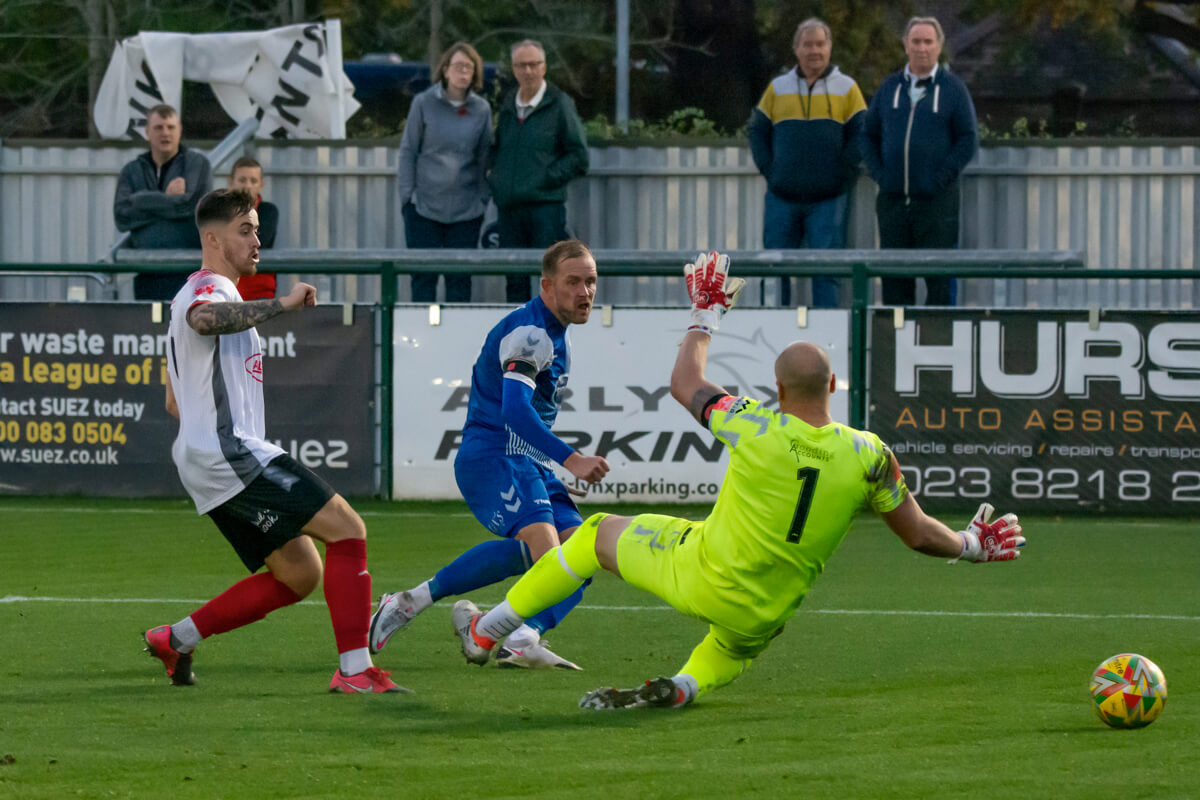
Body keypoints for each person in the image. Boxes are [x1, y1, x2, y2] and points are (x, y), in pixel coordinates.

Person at [449, 251, 1026, 709]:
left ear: (779, 391)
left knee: (593, 534)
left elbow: (685, 382)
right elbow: (921, 533)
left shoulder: (755, 424)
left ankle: (488, 630)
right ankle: (688, 685)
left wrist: (706, 315)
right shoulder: (869, 455)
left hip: (700, 573)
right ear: (832, 389)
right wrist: (973, 546)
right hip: (766, 612)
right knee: (735, 642)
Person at [143, 188, 407, 694]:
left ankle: (175, 639)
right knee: (348, 530)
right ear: (213, 238)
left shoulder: (196, 294)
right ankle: (355, 670)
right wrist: (280, 305)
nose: (257, 240)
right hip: (228, 451)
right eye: (246, 230)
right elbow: (204, 321)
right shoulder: (208, 292)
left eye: (258, 229)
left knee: (300, 574)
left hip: (206, 458)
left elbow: (174, 401)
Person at [369, 239, 610, 669]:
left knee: (583, 551)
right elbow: (514, 411)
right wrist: (571, 459)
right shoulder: (531, 334)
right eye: (573, 282)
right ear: (547, 286)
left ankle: (522, 636)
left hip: (524, 461)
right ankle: (412, 603)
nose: (585, 292)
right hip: (494, 456)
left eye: (591, 282)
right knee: (548, 554)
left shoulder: (555, 331)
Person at [861, 16, 979, 307]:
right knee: (894, 282)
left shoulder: (953, 89)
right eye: (916, 41)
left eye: (928, 41)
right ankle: (895, 346)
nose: (922, 48)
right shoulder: (889, 89)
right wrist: (881, 176)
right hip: (893, 204)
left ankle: (936, 346)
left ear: (939, 46)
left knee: (938, 281)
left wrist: (939, 179)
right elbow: (867, 136)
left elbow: (967, 139)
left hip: (937, 204)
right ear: (905, 45)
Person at [748, 18, 866, 309]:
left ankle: (825, 344)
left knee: (826, 272)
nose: (814, 50)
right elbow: (756, 131)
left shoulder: (847, 88)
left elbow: (863, 134)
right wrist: (771, 171)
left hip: (829, 199)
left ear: (830, 47)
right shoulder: (777, 88)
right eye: (807, 44)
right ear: (796, 49)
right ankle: (773, 335)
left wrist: (842, 174)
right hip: (781, 197)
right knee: (774, 271)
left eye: (820, 44)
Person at [489, 40, 590, 304]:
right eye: (522, 65)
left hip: (546, 209)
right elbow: (498, 147)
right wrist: (495, 176)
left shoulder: (559, 104)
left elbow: (579, 157)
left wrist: (545, 178)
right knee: (514, 279)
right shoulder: (508, 104)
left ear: (544, 68)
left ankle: (549, 336)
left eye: (534, 64)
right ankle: (516, 339)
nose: (528, 70)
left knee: (551, 280)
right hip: (510, 209)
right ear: (514, 69)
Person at [398, 41, 492, 304]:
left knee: (460, 281)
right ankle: (419, 343)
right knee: (423, 278)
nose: (464, 72)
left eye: (469, 67)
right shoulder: (423, 103)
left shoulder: (481, 109)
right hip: (423, 209)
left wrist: (482, 200)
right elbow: (408, 151)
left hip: (466, 212)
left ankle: (457, 343)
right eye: (458, 66)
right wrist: (407, 198)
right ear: (445, 70)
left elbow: (485, 156)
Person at [113, 104, 214, 300]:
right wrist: (168, 199)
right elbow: (122, 217)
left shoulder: (198, 164)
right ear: (147, 132)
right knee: (146, 329)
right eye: (159, 127)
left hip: (189, 275)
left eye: (171, 127)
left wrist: (140, 200)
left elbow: (191, 207)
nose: (165, 133)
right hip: (147, 274)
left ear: (180, 130)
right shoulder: (132, 170)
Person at [228, 156, 280, 301]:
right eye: (242, 180)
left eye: (253, 181)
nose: (247, 186)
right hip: (226, 292)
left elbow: (261, 239)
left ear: (261, 184)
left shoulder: (268, 211)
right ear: (230, 182)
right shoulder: (219, 211)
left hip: (260, 293)